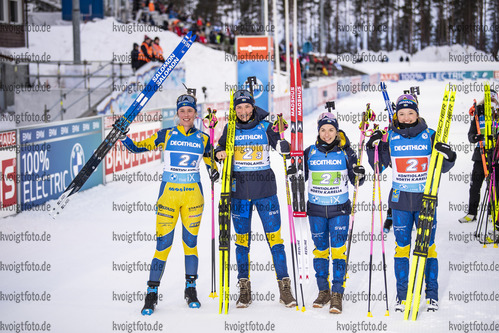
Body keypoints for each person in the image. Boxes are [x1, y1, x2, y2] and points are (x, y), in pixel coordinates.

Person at [120, 91, 219, 315]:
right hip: (168, 198)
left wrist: (215, 169)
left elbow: (212, 164)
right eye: (182, 110)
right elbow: (137, 147)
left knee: (189, 243)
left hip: (193, 198)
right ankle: (151, 293)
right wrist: (123, 137)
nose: (186, 114)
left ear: (195, 113)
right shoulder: (166, 135)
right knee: (163, 245)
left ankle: (190, 289)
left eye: (190, 111)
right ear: (177, 113)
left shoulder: (204, 138)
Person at [366, 94, 456, 313]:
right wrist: (372, 145)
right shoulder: (391, 137)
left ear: (417, 113)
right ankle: (402, 295)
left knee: (428, 248)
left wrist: (450, 155)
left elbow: (443, 167)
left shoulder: (430, 135)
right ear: (397, 115)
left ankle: (431, 295)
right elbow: (378, 167)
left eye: (410, 113)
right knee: (402, 248)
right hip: (400, 201)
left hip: (426, 199)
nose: (406, 117)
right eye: (402, 114)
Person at [214, 89, 296, 308]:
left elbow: (280, 145)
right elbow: (219, 147)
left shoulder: (265, 126)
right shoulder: (230, 129)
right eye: (239, 108)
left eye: (247, 107)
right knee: (242, 244)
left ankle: (284, 288)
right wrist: (218, 153)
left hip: (266, 192)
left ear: (253, 107)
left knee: (275, 241)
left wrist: (282, 146)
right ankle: (244, 289)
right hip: (239, 194)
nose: (243, 111)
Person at [302, 111, 365, 314]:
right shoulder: (309, 152)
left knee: (338, 251)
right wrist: (291, 167)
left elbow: (358, 181)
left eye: (331, 130)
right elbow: (297, 178)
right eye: (323, 130)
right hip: (316, 210)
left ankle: (337, 292)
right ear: (318, 131)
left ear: (337, 132)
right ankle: (323, 291)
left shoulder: (347, 153)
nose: (327, 134)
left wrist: (359, 174)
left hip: (339, 210)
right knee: (320, 250)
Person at [459, 89, 499, 224]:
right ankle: (471, 213)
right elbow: (470, 136)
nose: (491, 104)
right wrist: (476, 137)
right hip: (479, 156)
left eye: (493, 101)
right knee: (475, 185)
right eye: (489, 101)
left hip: (495, 157)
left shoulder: (498, 116)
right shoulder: (478, 115)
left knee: (494, 186)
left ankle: (492, 213)